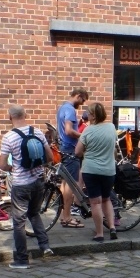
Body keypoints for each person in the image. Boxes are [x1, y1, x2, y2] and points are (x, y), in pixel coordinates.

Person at [0, 105, 54, 269]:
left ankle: (22, 259)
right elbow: (50, 157)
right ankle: (45, 246)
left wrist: (13, 168)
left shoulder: (8, 137)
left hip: (21, 185)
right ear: (25, 115)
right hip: (38, 181)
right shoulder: (36, 132)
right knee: (34, 213)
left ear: (10, 117)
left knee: (19, 222)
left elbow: (2, 165)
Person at [75, 102, 118, 242]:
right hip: (109, 170)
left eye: (89, 113)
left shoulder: (88, 130)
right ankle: (112, 227)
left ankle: (99, 233)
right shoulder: (111, 127)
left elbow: (77, 152)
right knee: (106, 199)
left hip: (91, 170)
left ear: (93, 115)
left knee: (95, 202)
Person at [57, 88, 89, 228]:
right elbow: (69, 131)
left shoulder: (62, 107)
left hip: (63, 148)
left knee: (65, 184)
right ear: (78, 96)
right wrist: (83, 137)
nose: (81, 104)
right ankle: (68, 217)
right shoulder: (70, 109)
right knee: (71, 184)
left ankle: (64, 216)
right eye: (82, 100)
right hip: (70, 149)